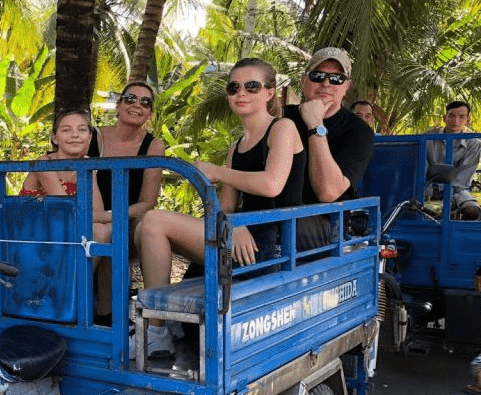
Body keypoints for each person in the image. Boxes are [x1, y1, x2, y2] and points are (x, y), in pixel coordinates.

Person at [137, 58, 306, 358]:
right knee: (146, 229)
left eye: (251, 86)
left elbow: (272, 185)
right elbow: (225, 206)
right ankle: (162, 324)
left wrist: (217, 172)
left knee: (154, 221)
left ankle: (158, 329)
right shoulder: (237, 145)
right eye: (234, 87)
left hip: (271, 246)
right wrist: (235, 225)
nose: (241, 93)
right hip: (242, 239)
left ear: (269, 92)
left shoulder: (283, 128)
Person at [87, 82, 166, 317]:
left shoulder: (153, 146)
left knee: (112, 231)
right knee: (105, 230)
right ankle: (70, 301)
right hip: (86, 216)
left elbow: (147, 202)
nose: (137, 105)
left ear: (150, 113)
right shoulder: (94, 136)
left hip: (126, 221)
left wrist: (113, 217)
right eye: (130, 99)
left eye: (145, 102)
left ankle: (107, 316)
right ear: (119, 105)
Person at [284, 47, 375, 249]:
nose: (326, 83)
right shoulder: (283, 117)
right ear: (304, 81)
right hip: (274, 214)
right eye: (318, 76)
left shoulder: (359, 131)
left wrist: (315, 124)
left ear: (346, 87)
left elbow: (328, 192)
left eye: (336, 79)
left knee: (280, 227)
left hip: (326, 224)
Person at [20, 109, 112, 242]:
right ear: (55, 138)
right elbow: (66, 210)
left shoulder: (87, 164)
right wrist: (116, 215)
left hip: (67, 229)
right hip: (34, 233)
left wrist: (106, 217)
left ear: (90, 137)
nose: (75, 135)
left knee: (103, 229)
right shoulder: (45, 163)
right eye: (66, 130)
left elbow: (98, 211)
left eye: (82, 130)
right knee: (102, 230)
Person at [426, 101, 481, 220]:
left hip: (457, 190)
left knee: (472, 212)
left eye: (461, 117)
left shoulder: (474, 143)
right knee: (429, 213)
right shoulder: (428, 137)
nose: (456, 121)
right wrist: (427, 192)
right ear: (445, 118)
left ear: (467, 120)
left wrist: (450, 198)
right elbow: (421, 168)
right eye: (451, 116)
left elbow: (462, 180)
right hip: (428, 188)